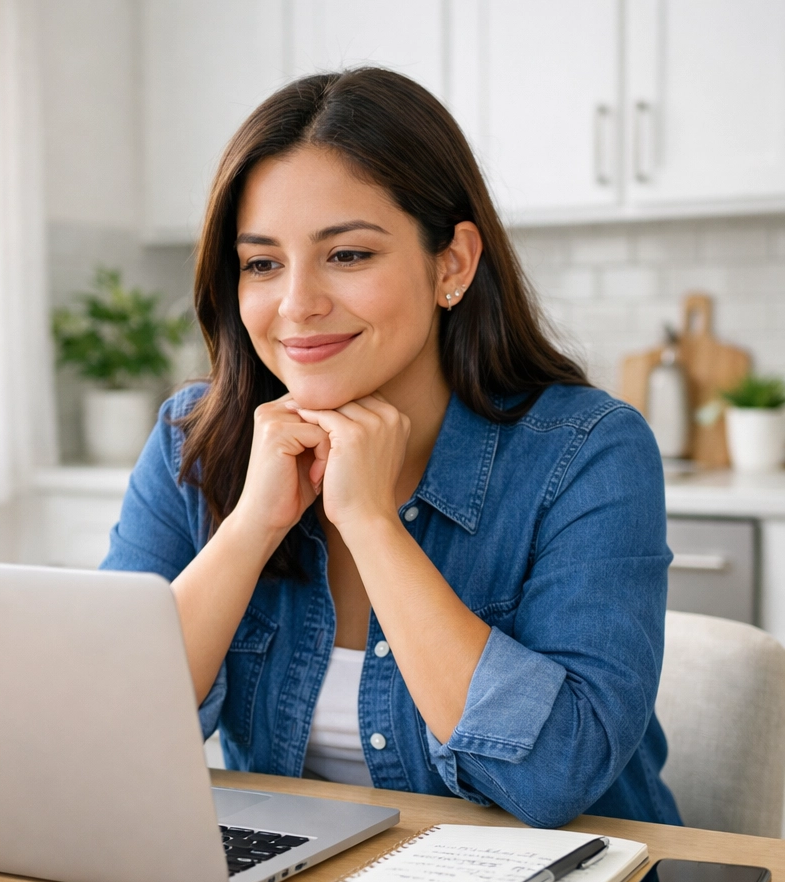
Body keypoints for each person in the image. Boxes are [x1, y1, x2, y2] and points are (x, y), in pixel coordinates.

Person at [102, 68, 681, 828]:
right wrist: (249, 529)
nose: (298, 304)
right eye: (262, 263)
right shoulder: (197, 440)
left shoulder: (588, 454)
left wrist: (373, 525)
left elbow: (557, 775)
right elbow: (106, 736)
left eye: (347, 255)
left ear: (452, 264)